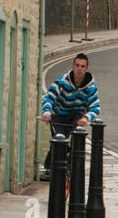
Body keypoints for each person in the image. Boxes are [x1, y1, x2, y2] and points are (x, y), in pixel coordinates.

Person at [39, 52, 100, 180]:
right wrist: (46, 112)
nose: (79, 69)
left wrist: (86, 118)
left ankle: (72, 168)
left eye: (83, 66)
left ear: (87, 69)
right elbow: (49, 98)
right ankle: (49, 168)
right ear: (73, 67)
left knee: (77, 139)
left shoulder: (91, 87)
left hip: (76, 115)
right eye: (77, 65)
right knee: (59, 139)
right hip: (59, 114)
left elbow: (95, 107)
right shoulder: (62, 82)